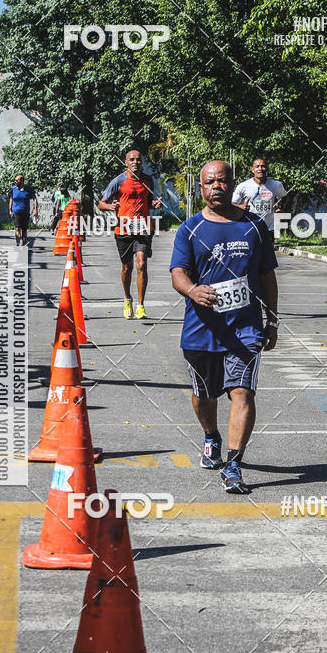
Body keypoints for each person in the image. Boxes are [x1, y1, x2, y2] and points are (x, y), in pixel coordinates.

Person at [170, 160, 279, 494]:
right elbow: (178, 272)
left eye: (222, 181)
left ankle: (233, 465)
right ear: (201, 188)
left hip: (245, 328)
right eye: (209, 182)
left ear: (233, 185)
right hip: (202, 329)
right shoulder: (189, 229)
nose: (216, 186)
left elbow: (267, 276)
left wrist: (272, 319)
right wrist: (192, 290)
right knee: (204, 395)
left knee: (242, 391)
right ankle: (210, 435)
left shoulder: (254, 227)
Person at [98, 149, 162, 320]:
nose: (135, 162)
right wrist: (110, 207)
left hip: (143, 228)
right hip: (123, 229)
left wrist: (154, 204)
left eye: (138, 159)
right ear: (126, 162)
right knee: (127, 268)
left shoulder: (148, 180)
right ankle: (127, 299)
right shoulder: (119, 181)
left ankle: (141, 305)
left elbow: (148, 202)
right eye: (132, 159)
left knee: (141, 264)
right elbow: (101, 203)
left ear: (142, 162)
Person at [232, 157, 287, 241]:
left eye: (263, 166)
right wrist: (241, 207)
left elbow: (283, 197)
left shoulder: (276, 185)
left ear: (267, 169)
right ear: (252, 169)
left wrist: (279, 207)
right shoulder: (243, 186)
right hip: (249, 227)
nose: (260, 169)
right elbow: (232, 204)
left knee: (268, 254)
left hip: (268, 228)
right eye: (257, 166)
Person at [9, 174, 37, 246]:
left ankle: (24, 244)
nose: (15, 182)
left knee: (24, 230)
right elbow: (11, 199)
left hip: (25, 212)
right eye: (15, 180)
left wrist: (36, 209)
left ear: (22, 181)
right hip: (16, 212)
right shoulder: (13, 189)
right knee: (17, 228)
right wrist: (10, 210)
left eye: (16, 180)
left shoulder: (28, 189)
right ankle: (18, 244)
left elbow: (34, 199)